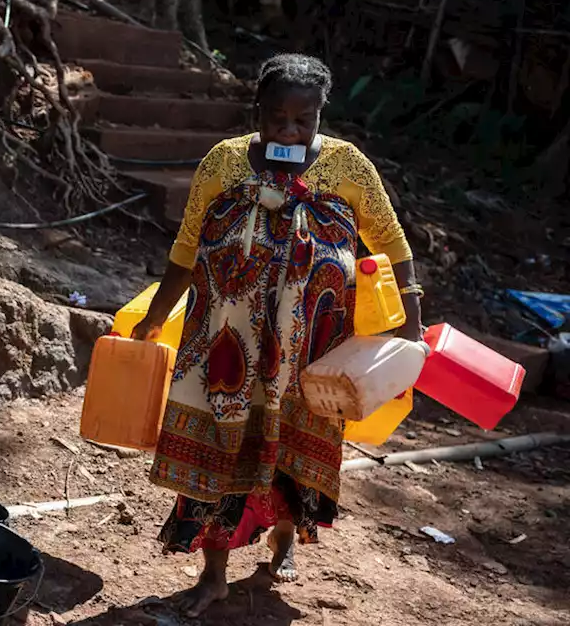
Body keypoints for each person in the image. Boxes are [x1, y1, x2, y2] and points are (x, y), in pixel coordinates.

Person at [133, 53, 423, 617]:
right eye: (276, 118)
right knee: (220, 449)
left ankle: (283, 543)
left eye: (303, 120)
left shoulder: (347, 167)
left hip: (310, 352)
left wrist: (411, 328)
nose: (288, 130)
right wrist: (153, 315)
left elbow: (394, 244)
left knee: (291, 447)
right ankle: (213, 574)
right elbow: (187, 249)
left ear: (321, 115)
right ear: (257, 111)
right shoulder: (223, 163)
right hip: (225, 348)